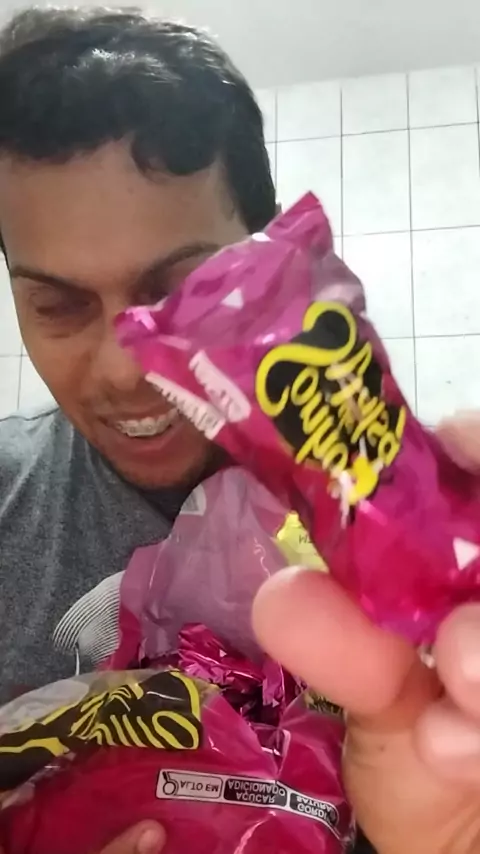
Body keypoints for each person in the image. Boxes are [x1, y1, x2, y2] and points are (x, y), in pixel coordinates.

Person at [0, 6, 479, 854]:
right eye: (58, 305)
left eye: (178, 292)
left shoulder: (411, 519)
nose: (124, 369)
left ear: (264, 258)